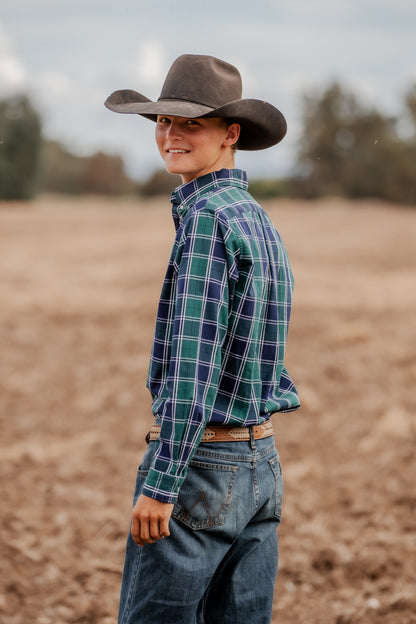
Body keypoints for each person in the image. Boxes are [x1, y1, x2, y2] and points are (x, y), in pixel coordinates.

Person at [105, 54, 300, 624]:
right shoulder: (256, 217)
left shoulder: (207, 219)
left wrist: (163, 482)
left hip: (201, 469)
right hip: (261, 461)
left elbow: (193, 370)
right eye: (164, 121)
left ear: (230, 133)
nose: (170, 134)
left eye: (190, 122)